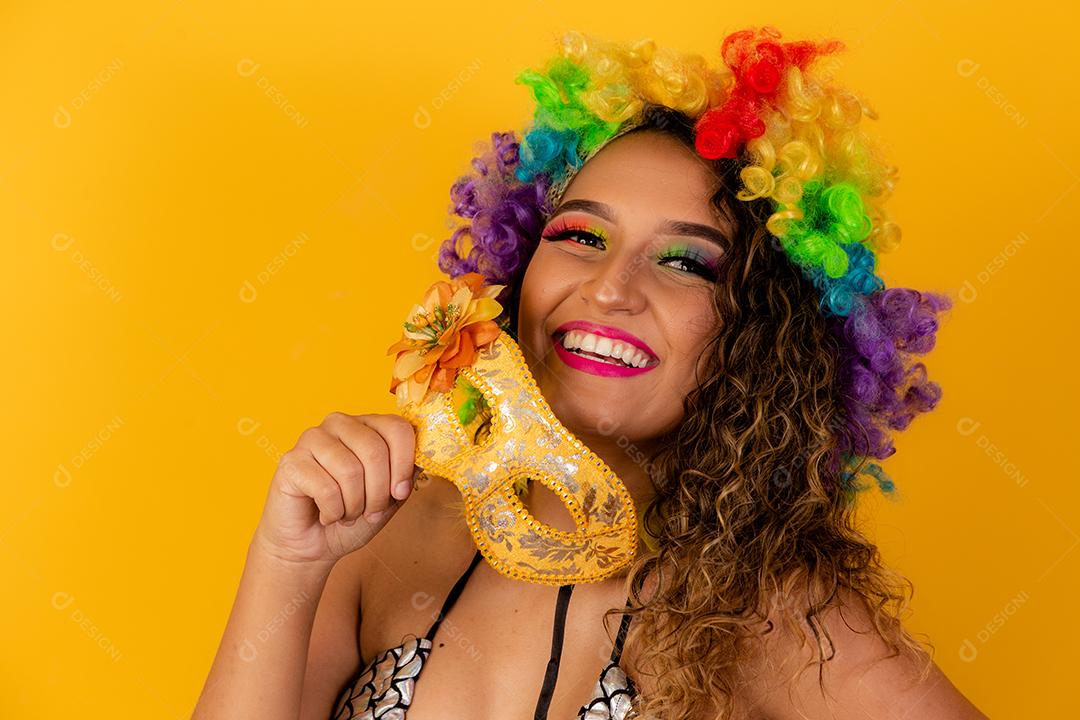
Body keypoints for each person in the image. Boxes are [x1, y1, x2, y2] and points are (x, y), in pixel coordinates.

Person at [192, 27, 990, 720]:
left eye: (684, 262)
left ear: (761, 338)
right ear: (518, 266)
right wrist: (287, 563)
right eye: (580, 236)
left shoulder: (778, 615)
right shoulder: (380, 537)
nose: (610, 289)